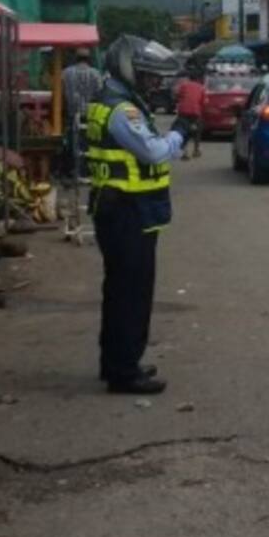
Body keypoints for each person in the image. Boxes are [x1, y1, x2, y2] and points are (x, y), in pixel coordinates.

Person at [86, 36, 191, 395]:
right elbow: (152, 152)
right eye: (148, 76)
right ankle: (124, 372)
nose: (154, 84)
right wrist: (178, 135)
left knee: (119, 291)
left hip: (119, 209)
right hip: (127, 213)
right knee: (131, 293)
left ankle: (116, 362)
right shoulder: (122, 110)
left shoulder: (115, 101)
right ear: (129, 70)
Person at [61, 48, 104, 178]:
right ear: (89, 59)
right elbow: (100, 94)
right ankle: (87, 170)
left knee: (73, 144)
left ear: (76, 58)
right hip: (91, 115)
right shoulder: (96, 74)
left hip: (73, 115)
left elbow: (62, 94)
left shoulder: (66, 73)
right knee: (89, 144)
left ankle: (73, 171)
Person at [174, 71, 206, 159]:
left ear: (189, 78)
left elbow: (177, 96)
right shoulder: (201, 87)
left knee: (183, 131)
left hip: (183, 112)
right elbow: (203, 102)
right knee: (197, 131)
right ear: (198, 79)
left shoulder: (184, 86)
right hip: (195, 113)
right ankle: (196, 150)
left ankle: (184, 151)